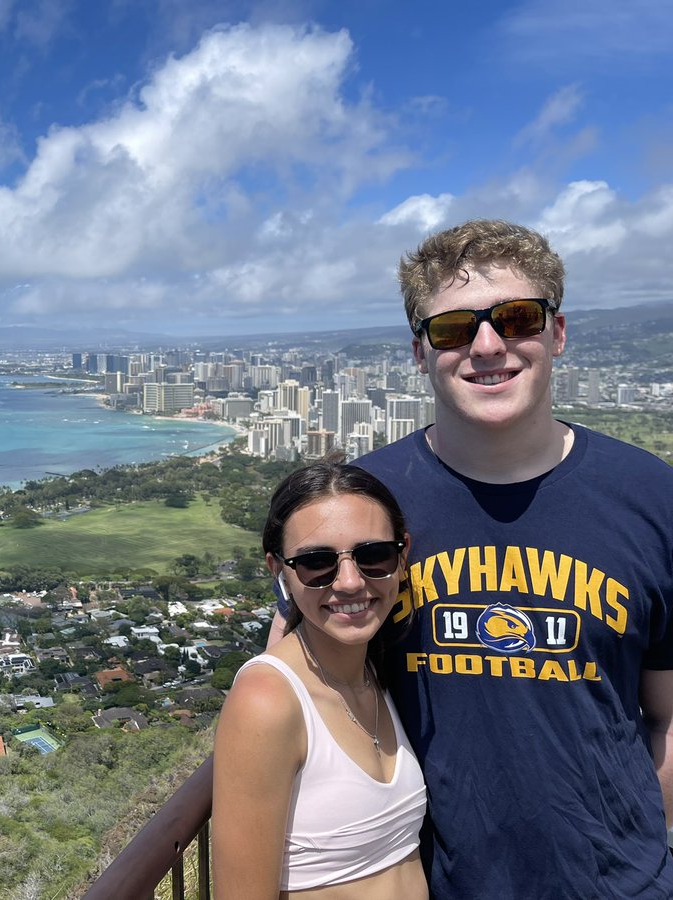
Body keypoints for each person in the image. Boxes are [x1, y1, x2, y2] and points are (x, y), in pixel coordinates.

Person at [271, 219, 673, 898]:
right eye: (453, 329)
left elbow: (667, 711)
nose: (487, 345)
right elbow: (290, 696)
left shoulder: (650, 496)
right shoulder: (363, 505)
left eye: (517, 318)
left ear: (558, 332)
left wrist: (634, 851)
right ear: (422, 354)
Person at [213, 459, 427, 899]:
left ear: (402, 556)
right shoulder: (267, 700)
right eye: (317, 563)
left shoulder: (376, 669)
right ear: (280, 571)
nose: (350, 582)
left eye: (373, 556)